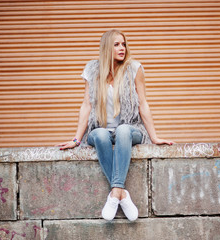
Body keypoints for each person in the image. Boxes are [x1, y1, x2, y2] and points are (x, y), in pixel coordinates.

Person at [57, 29, 173, 221]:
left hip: (130, 130)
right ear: (106, 47)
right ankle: (122, 193)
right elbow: (86, 105)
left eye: (124, 44)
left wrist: (154, 137)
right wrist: (77, 139)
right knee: (101, 134)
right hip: (100, 129)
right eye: (117, 44)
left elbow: (143, 103)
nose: (122, 48)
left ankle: (115, 192)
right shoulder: (92, 70)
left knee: (122, 130)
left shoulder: (134, 68)